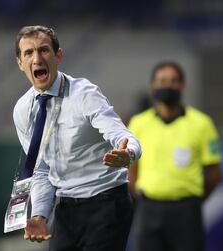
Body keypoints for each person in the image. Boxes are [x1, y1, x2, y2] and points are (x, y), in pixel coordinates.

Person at [13, 25, 142, 251]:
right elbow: (41, 169)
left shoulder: (85, 94)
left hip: (106, 204)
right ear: (20, 63)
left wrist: (128, 154)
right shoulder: (23, 110)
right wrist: (40, 215)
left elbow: (124, 137)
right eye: (28, 53)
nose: (37, 58)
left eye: (43, 50)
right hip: (65, 211)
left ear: (58, 56)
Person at [128, 61, 222, 251]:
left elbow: (213, 174)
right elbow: (132, 169)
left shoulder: (202, 123)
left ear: (183, 85)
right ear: (152, 85)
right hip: (149, 209)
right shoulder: (138, 123)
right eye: (162, 80)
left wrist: (193, 199)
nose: (167, 86)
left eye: (173, 81)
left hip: (187, 211)